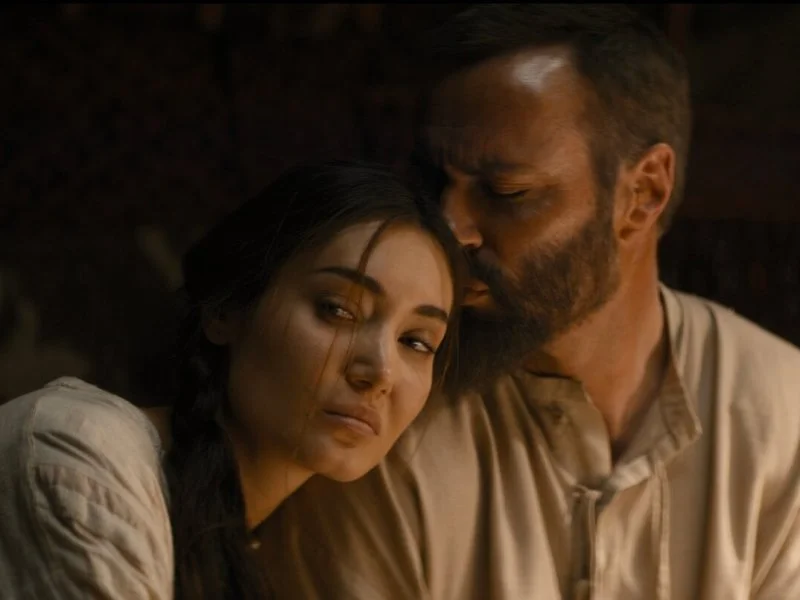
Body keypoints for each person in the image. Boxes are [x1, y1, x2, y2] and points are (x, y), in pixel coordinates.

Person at [260, 5, 800, 599]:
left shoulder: (782, 418)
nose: (449, 229)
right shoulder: (374, 428)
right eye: (434, 184)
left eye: (506, 192)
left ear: (643, 193)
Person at [0, 160, 463, 599]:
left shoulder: (257, 557)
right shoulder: (78, 454)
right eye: (338, 310)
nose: (381, 372)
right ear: (227, 308)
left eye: (416, 341)